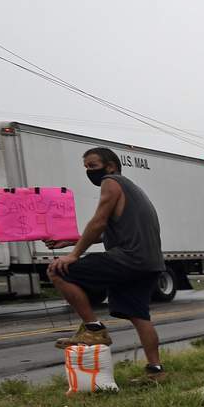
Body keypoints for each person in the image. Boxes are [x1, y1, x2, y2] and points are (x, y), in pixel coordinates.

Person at [45, 147, 166, 376]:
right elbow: (108, 233)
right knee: (139, 315)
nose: (89, 172)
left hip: (129, 259)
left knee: (58, 271)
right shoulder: (133, 190)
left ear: (110, 166)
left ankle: (93, 328)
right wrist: (70, 242)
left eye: (92, 166)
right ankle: (156, 369)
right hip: (149, 263)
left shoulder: (111, 182)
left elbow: (99, 222)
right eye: (86, 168)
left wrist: (74, 255)